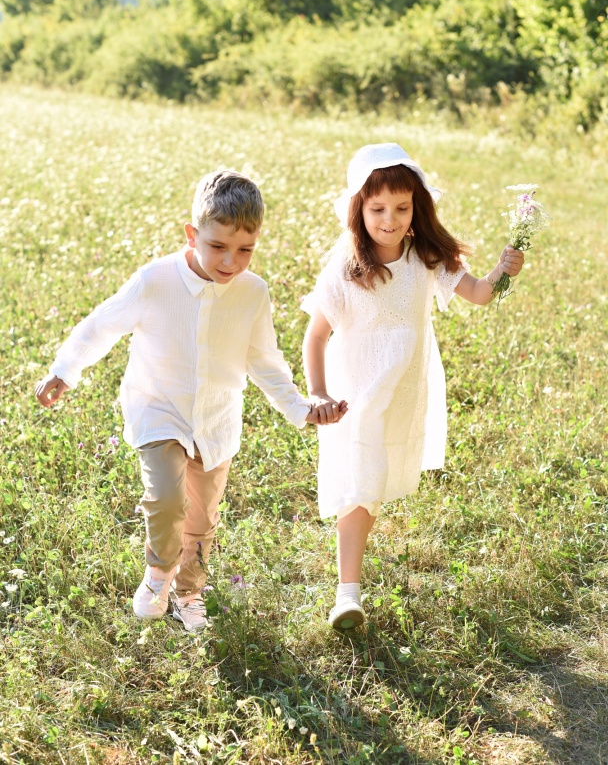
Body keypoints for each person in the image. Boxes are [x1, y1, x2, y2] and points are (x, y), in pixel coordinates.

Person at [35, 170, 343, 632]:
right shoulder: (156, 280)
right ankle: (159, 574)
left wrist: (301, 408)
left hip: (216, 420)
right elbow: (102, 325)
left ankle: (189, 592)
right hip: (158, 407)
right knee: (167, 499)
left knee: (201, 519)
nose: (230, 261)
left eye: (245, 250)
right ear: (192, 234)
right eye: (217, 246)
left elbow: (264, 361)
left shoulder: (252, 294)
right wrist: (65, 369)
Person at [302, 143, 524, 631]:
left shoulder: (426, 257)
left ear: (416, 207)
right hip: (353, 388)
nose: (390, 219)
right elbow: (315, 335)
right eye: (378, 208)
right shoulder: (346, 266)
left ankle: (351, 585)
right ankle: (347, 594)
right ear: (359, 209)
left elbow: (480, 295)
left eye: (402, 208)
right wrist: (317, 392)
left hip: (403, 388)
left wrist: (504, 271)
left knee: (374, 483)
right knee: (359, 483)